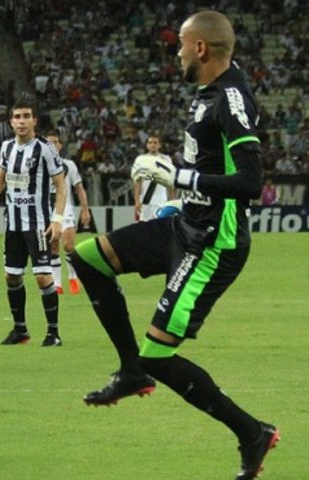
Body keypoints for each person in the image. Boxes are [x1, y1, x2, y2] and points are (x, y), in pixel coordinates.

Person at [69, 11, 279, 479]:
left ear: (201, 48)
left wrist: (178, 176)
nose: (178, 51)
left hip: (212, 244)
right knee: (87, 258)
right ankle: (130, 372)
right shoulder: (208, 94)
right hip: (184, 224)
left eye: (182, 44)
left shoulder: (231, 99)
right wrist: (181, 195)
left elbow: (250, 182)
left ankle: (251, 433)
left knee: (159, 353)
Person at [0, 100, 67, 347]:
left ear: (34, 121)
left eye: (26, 116)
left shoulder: (45, 149)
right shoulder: (7, 147)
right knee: (11, 276)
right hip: (13, 224)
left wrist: (58, 219)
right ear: (11, 122)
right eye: (17, 116)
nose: (21, 121)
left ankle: (53, 333)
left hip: (38, 223)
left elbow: (61, 186)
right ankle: (20, 331)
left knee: (43, 277)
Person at [46, 133, 91, 295]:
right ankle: (57, 283)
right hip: (48, 209)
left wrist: (85, 209)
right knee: (53, 246)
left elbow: (79, 188)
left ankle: (73, 277)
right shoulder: (40, 165)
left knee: (69, 246)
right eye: (49, 143)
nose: (53, 145)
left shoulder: (69, 165)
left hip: (66, 209)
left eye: (55, 142)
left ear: (60, 145)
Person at [132, 135, 175, 221]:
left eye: (155, 142)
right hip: (145, 200)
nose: (152, 145)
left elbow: (170, 180)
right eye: (150, 143)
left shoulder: (166, 159)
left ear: (159, 145)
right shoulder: (140, 159)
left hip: (162, 200)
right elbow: (137, 181)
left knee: (161, 228)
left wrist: (172, 200)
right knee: (144, 228)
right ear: (147, 145)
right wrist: (137, 200)